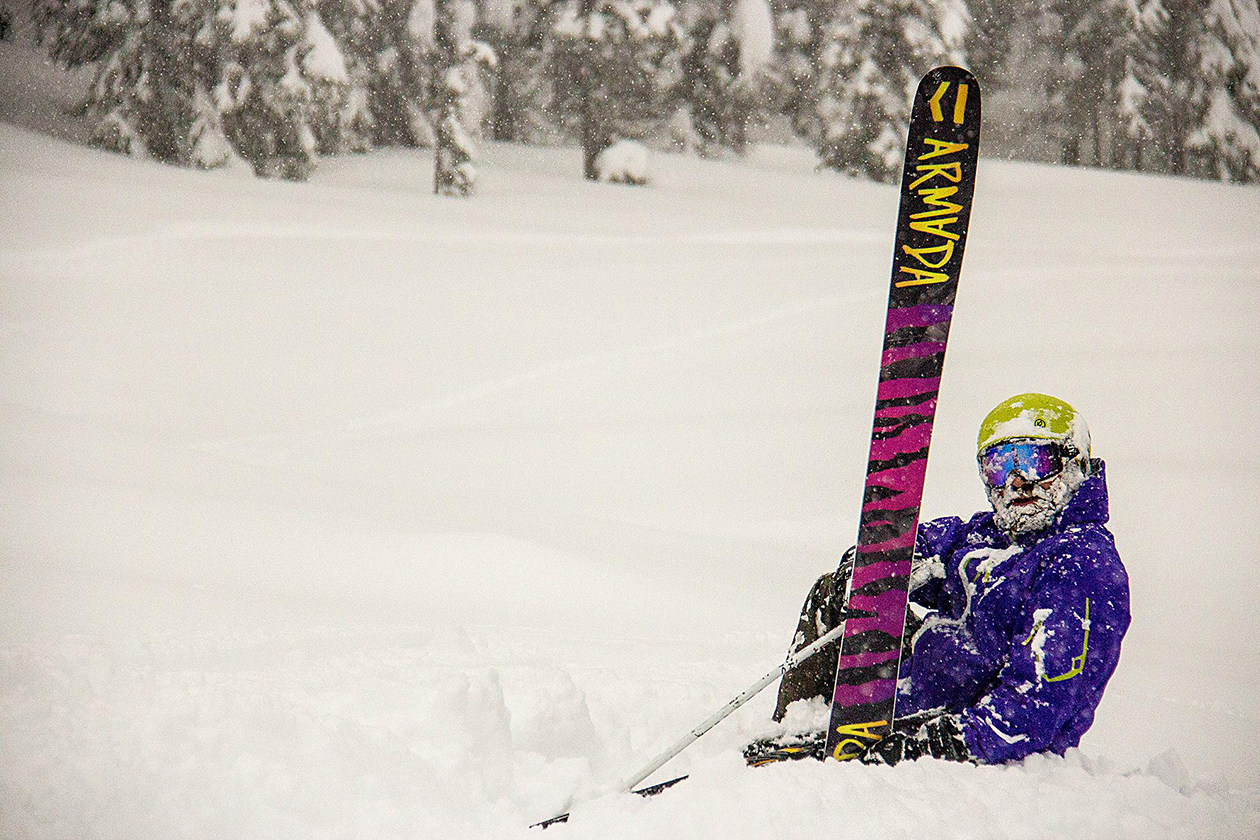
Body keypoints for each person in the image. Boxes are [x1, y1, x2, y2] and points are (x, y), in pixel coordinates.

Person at [751, 394, 1130, 767]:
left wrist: (934, 743)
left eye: (1033, 462)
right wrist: (884, 565)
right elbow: (929, 541)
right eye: (1000, 466)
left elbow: (1036, 703)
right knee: (834, 593)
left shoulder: (1080, 565)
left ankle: (817, 756)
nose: (1017, 483)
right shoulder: (992, 534)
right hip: (925, 684)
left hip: (969, 728)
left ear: (1073, 466)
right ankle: (796, 725)